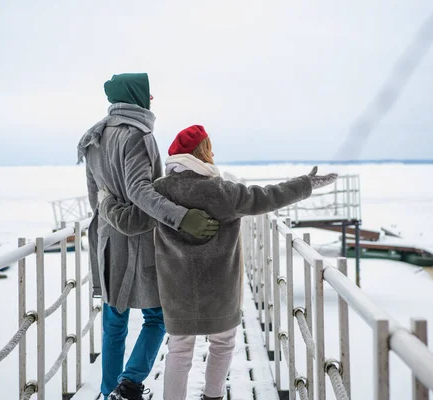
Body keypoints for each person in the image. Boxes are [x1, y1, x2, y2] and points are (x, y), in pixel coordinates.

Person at [98, 125, 338, 399]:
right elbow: (269, 196)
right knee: (223, 345)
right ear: (203, 152)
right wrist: (306, 183)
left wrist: (105, 201)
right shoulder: (223, 191)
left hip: (176, 290)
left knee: (179, 349)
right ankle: (212, 396)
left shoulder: (160, 191)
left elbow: (129, 222)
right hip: (220, 287)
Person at [77, 74, 221, 400]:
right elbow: (141, 192)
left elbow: (95, 200)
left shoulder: (94, 137)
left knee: (114, 321)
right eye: (147, 93)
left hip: (107, 241)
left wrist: (111, 214)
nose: (151, 99)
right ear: (135, 95)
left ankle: (109, 390)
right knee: (158, 317)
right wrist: (182, 218)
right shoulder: (137, 136)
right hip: (140, 240)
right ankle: (129, 384)